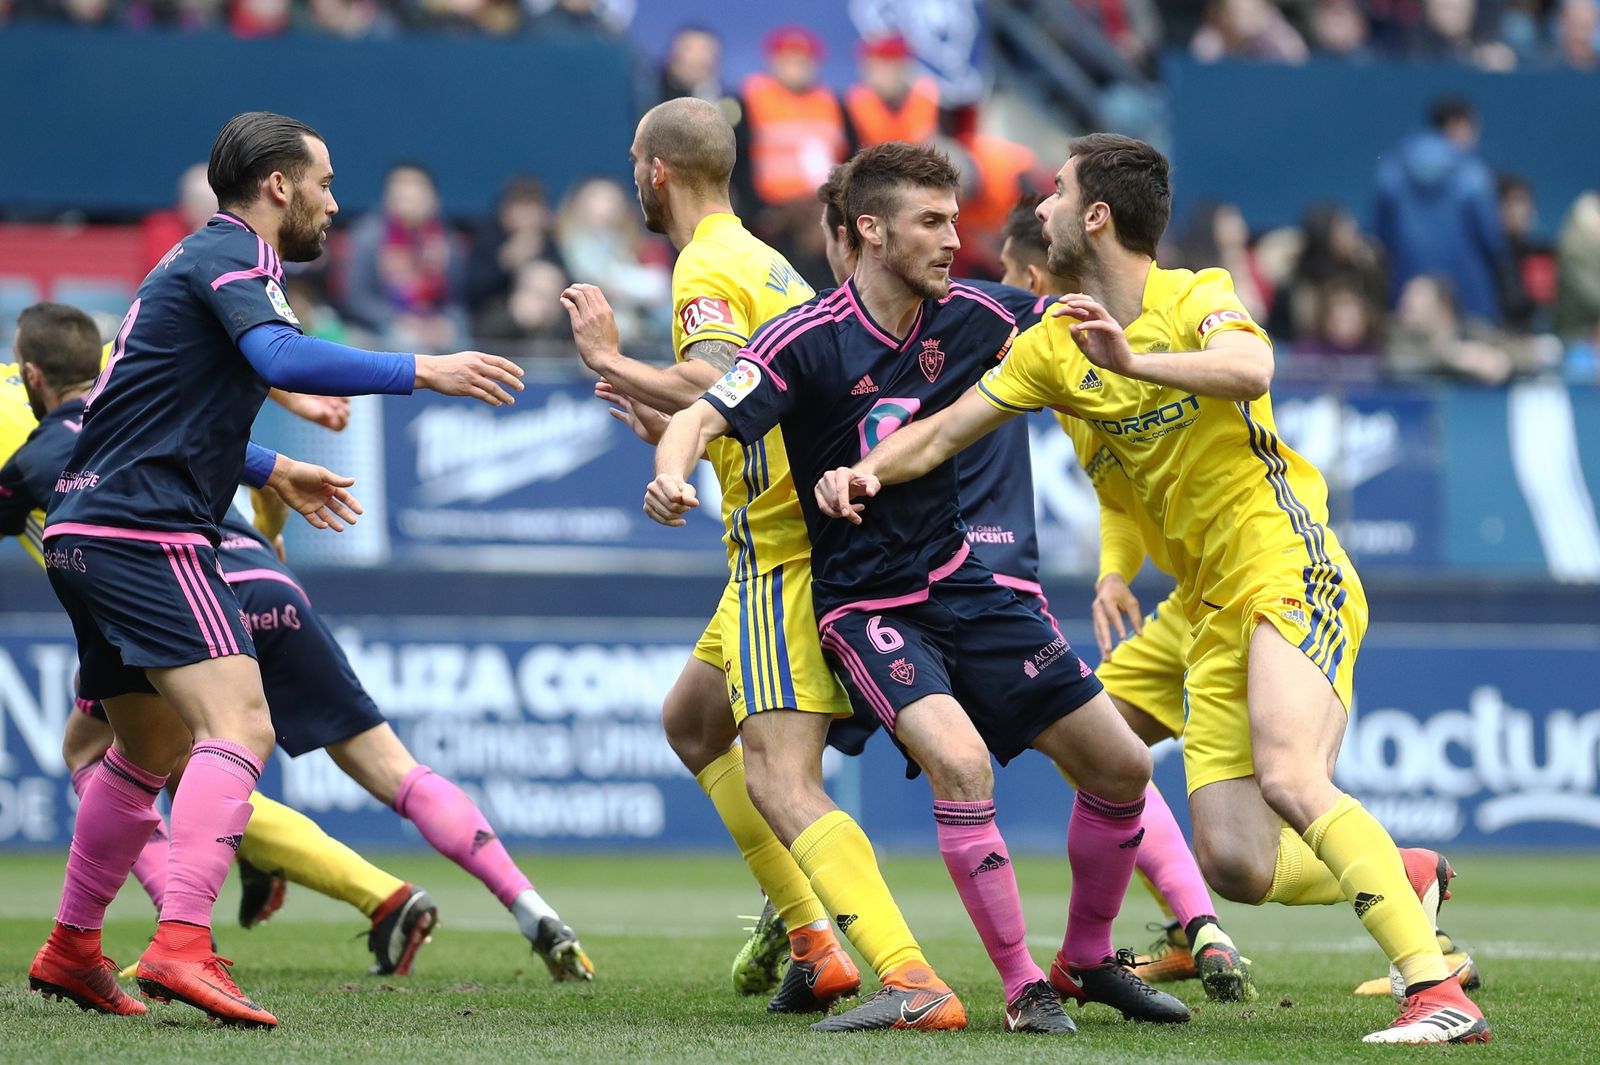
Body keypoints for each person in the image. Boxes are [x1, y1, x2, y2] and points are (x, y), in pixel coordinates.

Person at [814, 132, 1490, 1046]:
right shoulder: (1056, 346)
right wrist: (866, 470)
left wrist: (1133, 361)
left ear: (1096, 215)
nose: (1040, 208)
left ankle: (1436, 989)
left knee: (1291, 773)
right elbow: (943, 431)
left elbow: (1253, 369)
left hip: (1287, 565)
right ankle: (1403, 875)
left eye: (1056, 192)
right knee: (1238, 862)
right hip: (1203, 606)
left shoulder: (1193, 295)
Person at [646, 141, 1188, 1033]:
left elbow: (1090, 317)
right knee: (961, 762)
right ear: (870, 229)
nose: (951, 239)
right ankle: (1021, 988)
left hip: (961, 582)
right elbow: (701, 415)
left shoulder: (973, 313)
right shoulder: (805, 338)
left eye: (954, 220)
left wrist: (1186, 329)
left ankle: (1087, 960)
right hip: (867, 606)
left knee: (1123, 764)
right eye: (931, 222)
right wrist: (672, 474)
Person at [25, 110, 524, 1028]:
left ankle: (72, 946)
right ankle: (182, 942)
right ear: (279, 185)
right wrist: (424, 367)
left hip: (83, 526)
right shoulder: (236, 256)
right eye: (325, 183)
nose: (334, 203)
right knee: (242, 724)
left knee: (144, 753)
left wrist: (271, 466)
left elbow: (145, 404)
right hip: (148, 531)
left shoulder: (189, 262)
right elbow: (278, 354)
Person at [3, 302, 593, 983]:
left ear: (31, 373)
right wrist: (279, 484)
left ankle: (181, 925)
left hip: (183, 590)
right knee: (393, 769)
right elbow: (249, 384)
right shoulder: (147, 396)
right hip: (270, 581)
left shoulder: (45, 449)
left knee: (135, 754)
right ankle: (528, 903)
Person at [561, 98, 943, 1028]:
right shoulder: (764, 259)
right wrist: (678, 428)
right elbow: (765, 396)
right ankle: (813, 942)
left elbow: (715, 378)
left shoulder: (705, 264)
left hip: (782, 546)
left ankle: (905, 973)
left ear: (657, 171)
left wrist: (610, 358)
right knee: (693, 722)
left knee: (779, 777)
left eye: (635, 160)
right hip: (789, 530)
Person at [1375, 95, 1508, 325]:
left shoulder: (1390, 170)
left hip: (1407, 297)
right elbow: (1492, 241)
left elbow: (1381, 238)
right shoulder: (1475, 175)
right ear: (1457, 125)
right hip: (1471, 299)